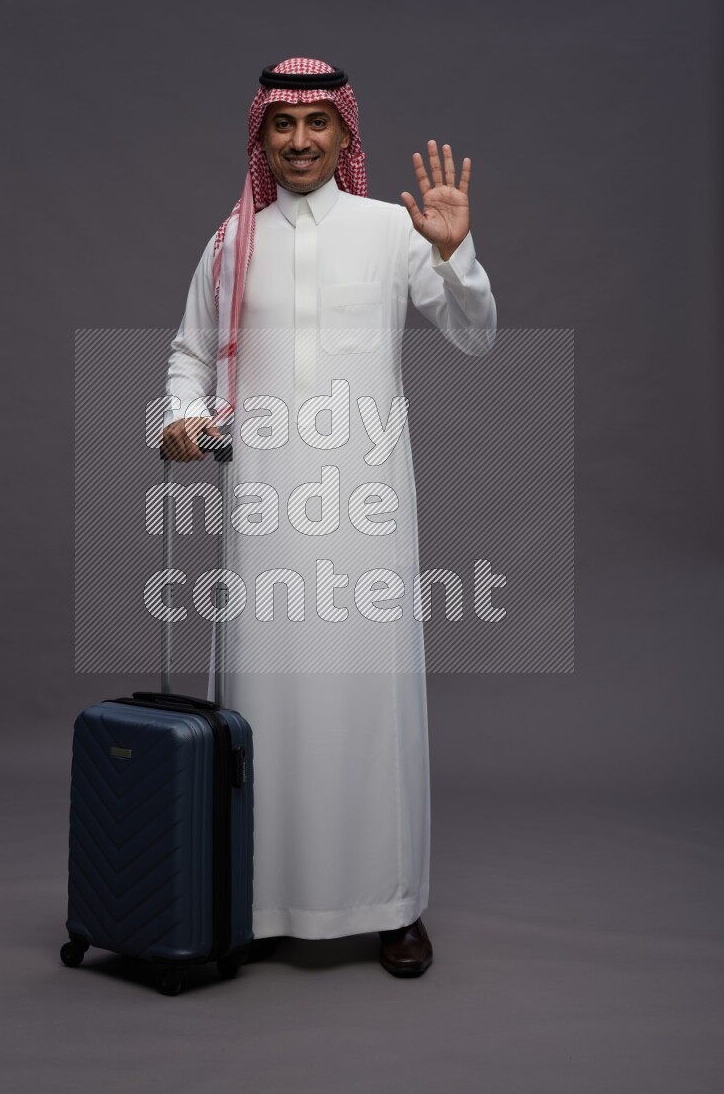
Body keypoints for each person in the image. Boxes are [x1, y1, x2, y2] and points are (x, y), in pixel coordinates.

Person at [161, 57, 496, 977]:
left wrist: (454, 253)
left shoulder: (392, 230)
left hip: (366, 513)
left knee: (370, 707)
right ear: (261, 136)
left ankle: (394, 906)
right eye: (284, 124)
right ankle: (262, 900)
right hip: (264, 511)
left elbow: (476, 334)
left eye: (319, 123)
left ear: (346, 133)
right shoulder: (232, 242)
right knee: (264, 705)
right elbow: (190, 355)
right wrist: (180, 417)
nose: (301, 140)